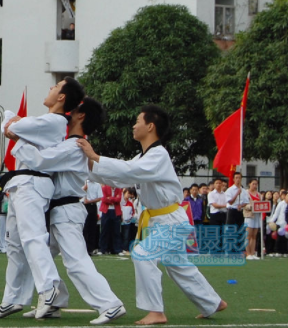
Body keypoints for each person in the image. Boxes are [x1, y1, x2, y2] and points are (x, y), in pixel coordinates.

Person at [79, 105, 227, 325]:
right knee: (178, 265)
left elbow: (129, 171)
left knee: (142, 254)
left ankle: (156, 312)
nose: (134, 125)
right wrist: (91, 163)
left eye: (137, 120)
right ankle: (212, 302)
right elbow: (122, 177)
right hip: (163, 220)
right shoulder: (143, 156)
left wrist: (96, 156)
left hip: (170, 220)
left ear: (150, 126)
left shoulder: (158, 154)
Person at [12, 97, 126, 325]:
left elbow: (40, 161)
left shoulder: (75, 145)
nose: (67, 111)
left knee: (75, 261)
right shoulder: (70, 143)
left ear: (80, 115)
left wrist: (18, 138)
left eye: (73, 109)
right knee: (41, 253)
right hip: (59, 210)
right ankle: (55, 302)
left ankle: (110, 304)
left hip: (67, 210)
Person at [0, 77, 84, 320]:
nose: (50, 89)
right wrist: (15, 123)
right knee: (14, 244)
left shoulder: (53, 121)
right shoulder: (45, 122)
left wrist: (15, 123)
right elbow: (11, 126)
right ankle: (13, 298)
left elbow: (10, 127)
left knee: (32, 237)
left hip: (33, 182)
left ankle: (50, 287)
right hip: (21, 182)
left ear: (62, 97)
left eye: (55, 87)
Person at [99, 185, 123, 255]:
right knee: (104, 231)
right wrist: (114, 199)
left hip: (116, 211)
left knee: (116, 231)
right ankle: (102, 249)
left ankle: (117, 249)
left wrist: (110, 198)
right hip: (106, 211)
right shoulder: (104, 188)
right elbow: (103, 199)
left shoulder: (119, 188)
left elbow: (119, 199)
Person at [244, 178, 262, 260]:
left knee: (254, 235)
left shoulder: (259, 194)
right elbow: (244, 204)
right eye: (253, 184)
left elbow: (262, 204)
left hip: (257, 216)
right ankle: (248, 253)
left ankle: (252, 253)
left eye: (256, 184)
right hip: (249, 215)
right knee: (248, 235)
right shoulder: (246, 193)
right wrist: (251, 206)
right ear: (249, 184)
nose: (255, 185)